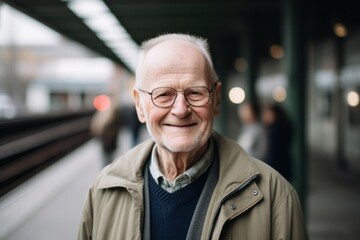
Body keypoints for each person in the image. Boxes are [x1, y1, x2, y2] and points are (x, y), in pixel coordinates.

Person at [78, 33, 308, 240]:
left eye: (195, 93)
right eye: (164, 94)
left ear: (216, 99)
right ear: (140, 105)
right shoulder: (102, 191)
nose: (180, 109)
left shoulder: (276, 197)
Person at [262, 103, 294, 182]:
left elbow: (273, 152)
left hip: (277, 167)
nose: (265, 116)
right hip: (285, 164)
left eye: (267, 113)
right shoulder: (284, 126)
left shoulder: (275, 130)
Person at [90, 102, 121, 166]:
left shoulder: (104, 117)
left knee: (106, 159)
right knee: (108, 159)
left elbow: (96, 128)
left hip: (106, 143)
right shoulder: (113, 120)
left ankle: (105, 171)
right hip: (109, 144)